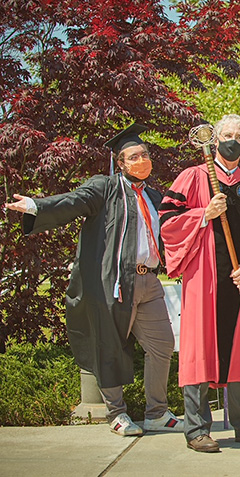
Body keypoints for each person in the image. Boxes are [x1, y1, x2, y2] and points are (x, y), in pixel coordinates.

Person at [5, 124, 183, 436]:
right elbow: (74, 201)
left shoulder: (155, 196)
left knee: (163, 345)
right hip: (116, 283)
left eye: (144, 154)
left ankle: (157, 412)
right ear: (121, 163)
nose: (141, 160)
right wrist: (35, 205)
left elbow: (176, 228)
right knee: (110, 346)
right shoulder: (105, 188)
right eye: (133, 156)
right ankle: (117, 413)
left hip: (150, 281)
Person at [159, 114, 240, 452]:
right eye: (227, 134)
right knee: (200, 351)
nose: (233, 140)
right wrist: (204, 214)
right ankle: (196, 430)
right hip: (204, 280)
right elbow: (167, 222)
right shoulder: (192, 177)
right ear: (215, 140)